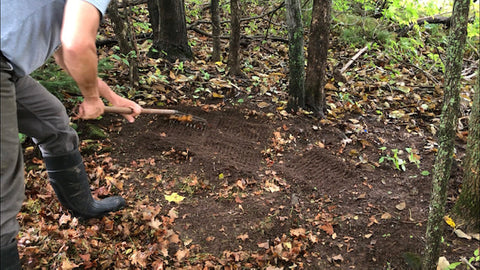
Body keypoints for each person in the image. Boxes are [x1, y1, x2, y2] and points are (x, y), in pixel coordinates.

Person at [0, 1, 142, 268]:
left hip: (9, 68)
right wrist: (89, 98)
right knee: (4, 181)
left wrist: (110, 97)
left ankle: (82, 205)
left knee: (53, 122)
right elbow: (77, 44)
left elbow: (64, 50)